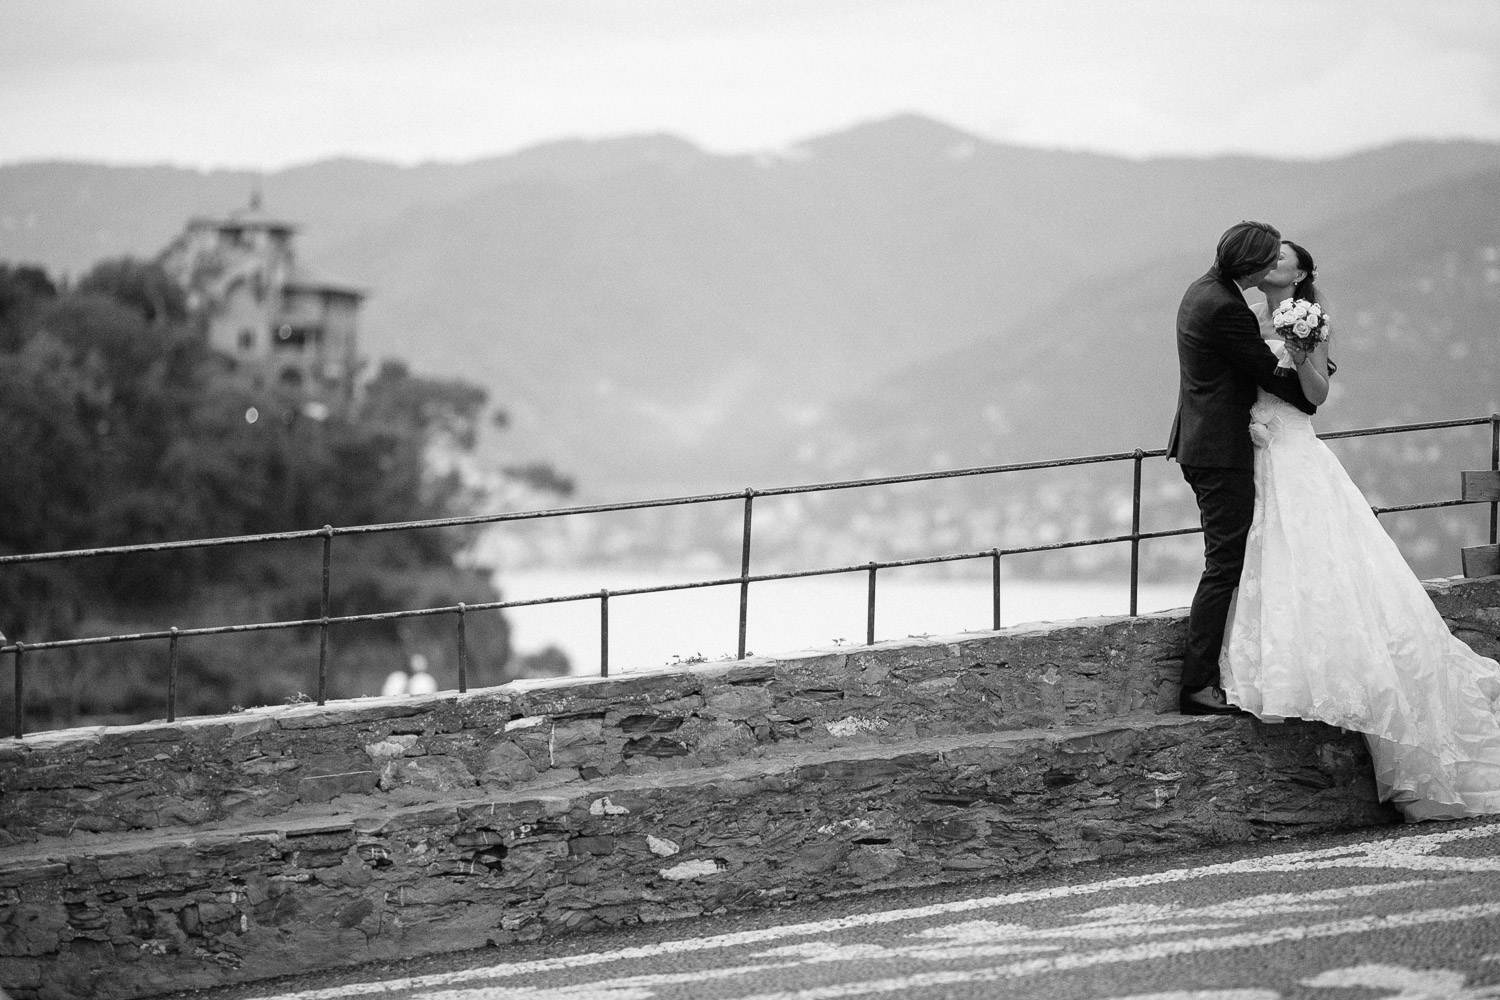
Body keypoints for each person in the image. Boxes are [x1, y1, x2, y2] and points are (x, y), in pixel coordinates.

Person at [1220, 241, 1500, 820]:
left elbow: (1317, 397)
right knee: (1270, 558)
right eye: (1268, 256)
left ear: (1302, 274)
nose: (1273, 263)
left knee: (1325, 562)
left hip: (1294, 448)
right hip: (1257, 451)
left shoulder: (1311, 319)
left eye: (1283, 258)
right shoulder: (1240, 314)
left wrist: (1301, 350)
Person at [1167, 221, 1318, 715]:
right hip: (1219, 451)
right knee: (1225, 564)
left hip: (1205, 443)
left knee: (1231, 558)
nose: (1273, 265)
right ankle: (1197, 684)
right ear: (1250, 265)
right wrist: (1306, 393)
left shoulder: (1201, 290)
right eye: (1269, 259)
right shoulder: (1228, 309)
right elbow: (1265, 371)